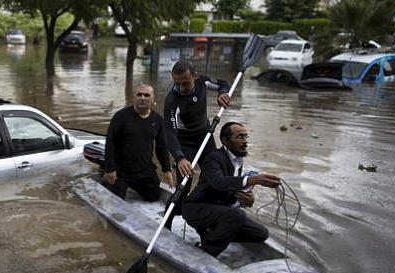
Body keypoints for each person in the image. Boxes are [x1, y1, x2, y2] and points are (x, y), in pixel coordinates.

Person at [182, 122, 281, 257]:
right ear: (225, 141)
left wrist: (247, 200)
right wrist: (253, 180)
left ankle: (213, 234)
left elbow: (230, 190)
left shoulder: (238, 160)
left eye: (246, 137)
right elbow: (218, 182)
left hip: (219, 210)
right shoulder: (213, 157)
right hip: (196, 209)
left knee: (261, 233)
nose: (245, 141)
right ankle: (207, 249)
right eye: (240, 137)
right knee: (237, 215)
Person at [163, 60, 231, 230]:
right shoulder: (172, 100)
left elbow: (224, 83)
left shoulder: (202, 81)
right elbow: (170, 133)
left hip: (205, 135)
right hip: (185, 142)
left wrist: (223, 93)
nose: (181, 88)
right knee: (184, 184)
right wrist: (179, 158)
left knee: (215, 179)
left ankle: (213, 218)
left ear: (195, 76)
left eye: (185, 83)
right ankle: (166, 224)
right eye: (177, 83)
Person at [103, 84, 174, 201]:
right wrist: (110, 169)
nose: (143, 98)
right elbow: (110, 144)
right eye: (139, 95)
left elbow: (162, 147)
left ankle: (135, 186)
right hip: (121, 171)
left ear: (153, 99)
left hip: (144, 170)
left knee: (153, 197)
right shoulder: (120, 117)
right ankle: (106, 178)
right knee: (115, 201)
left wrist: (167, 170)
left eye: (147, 95)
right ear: (133, 98)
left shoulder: (158, 120)